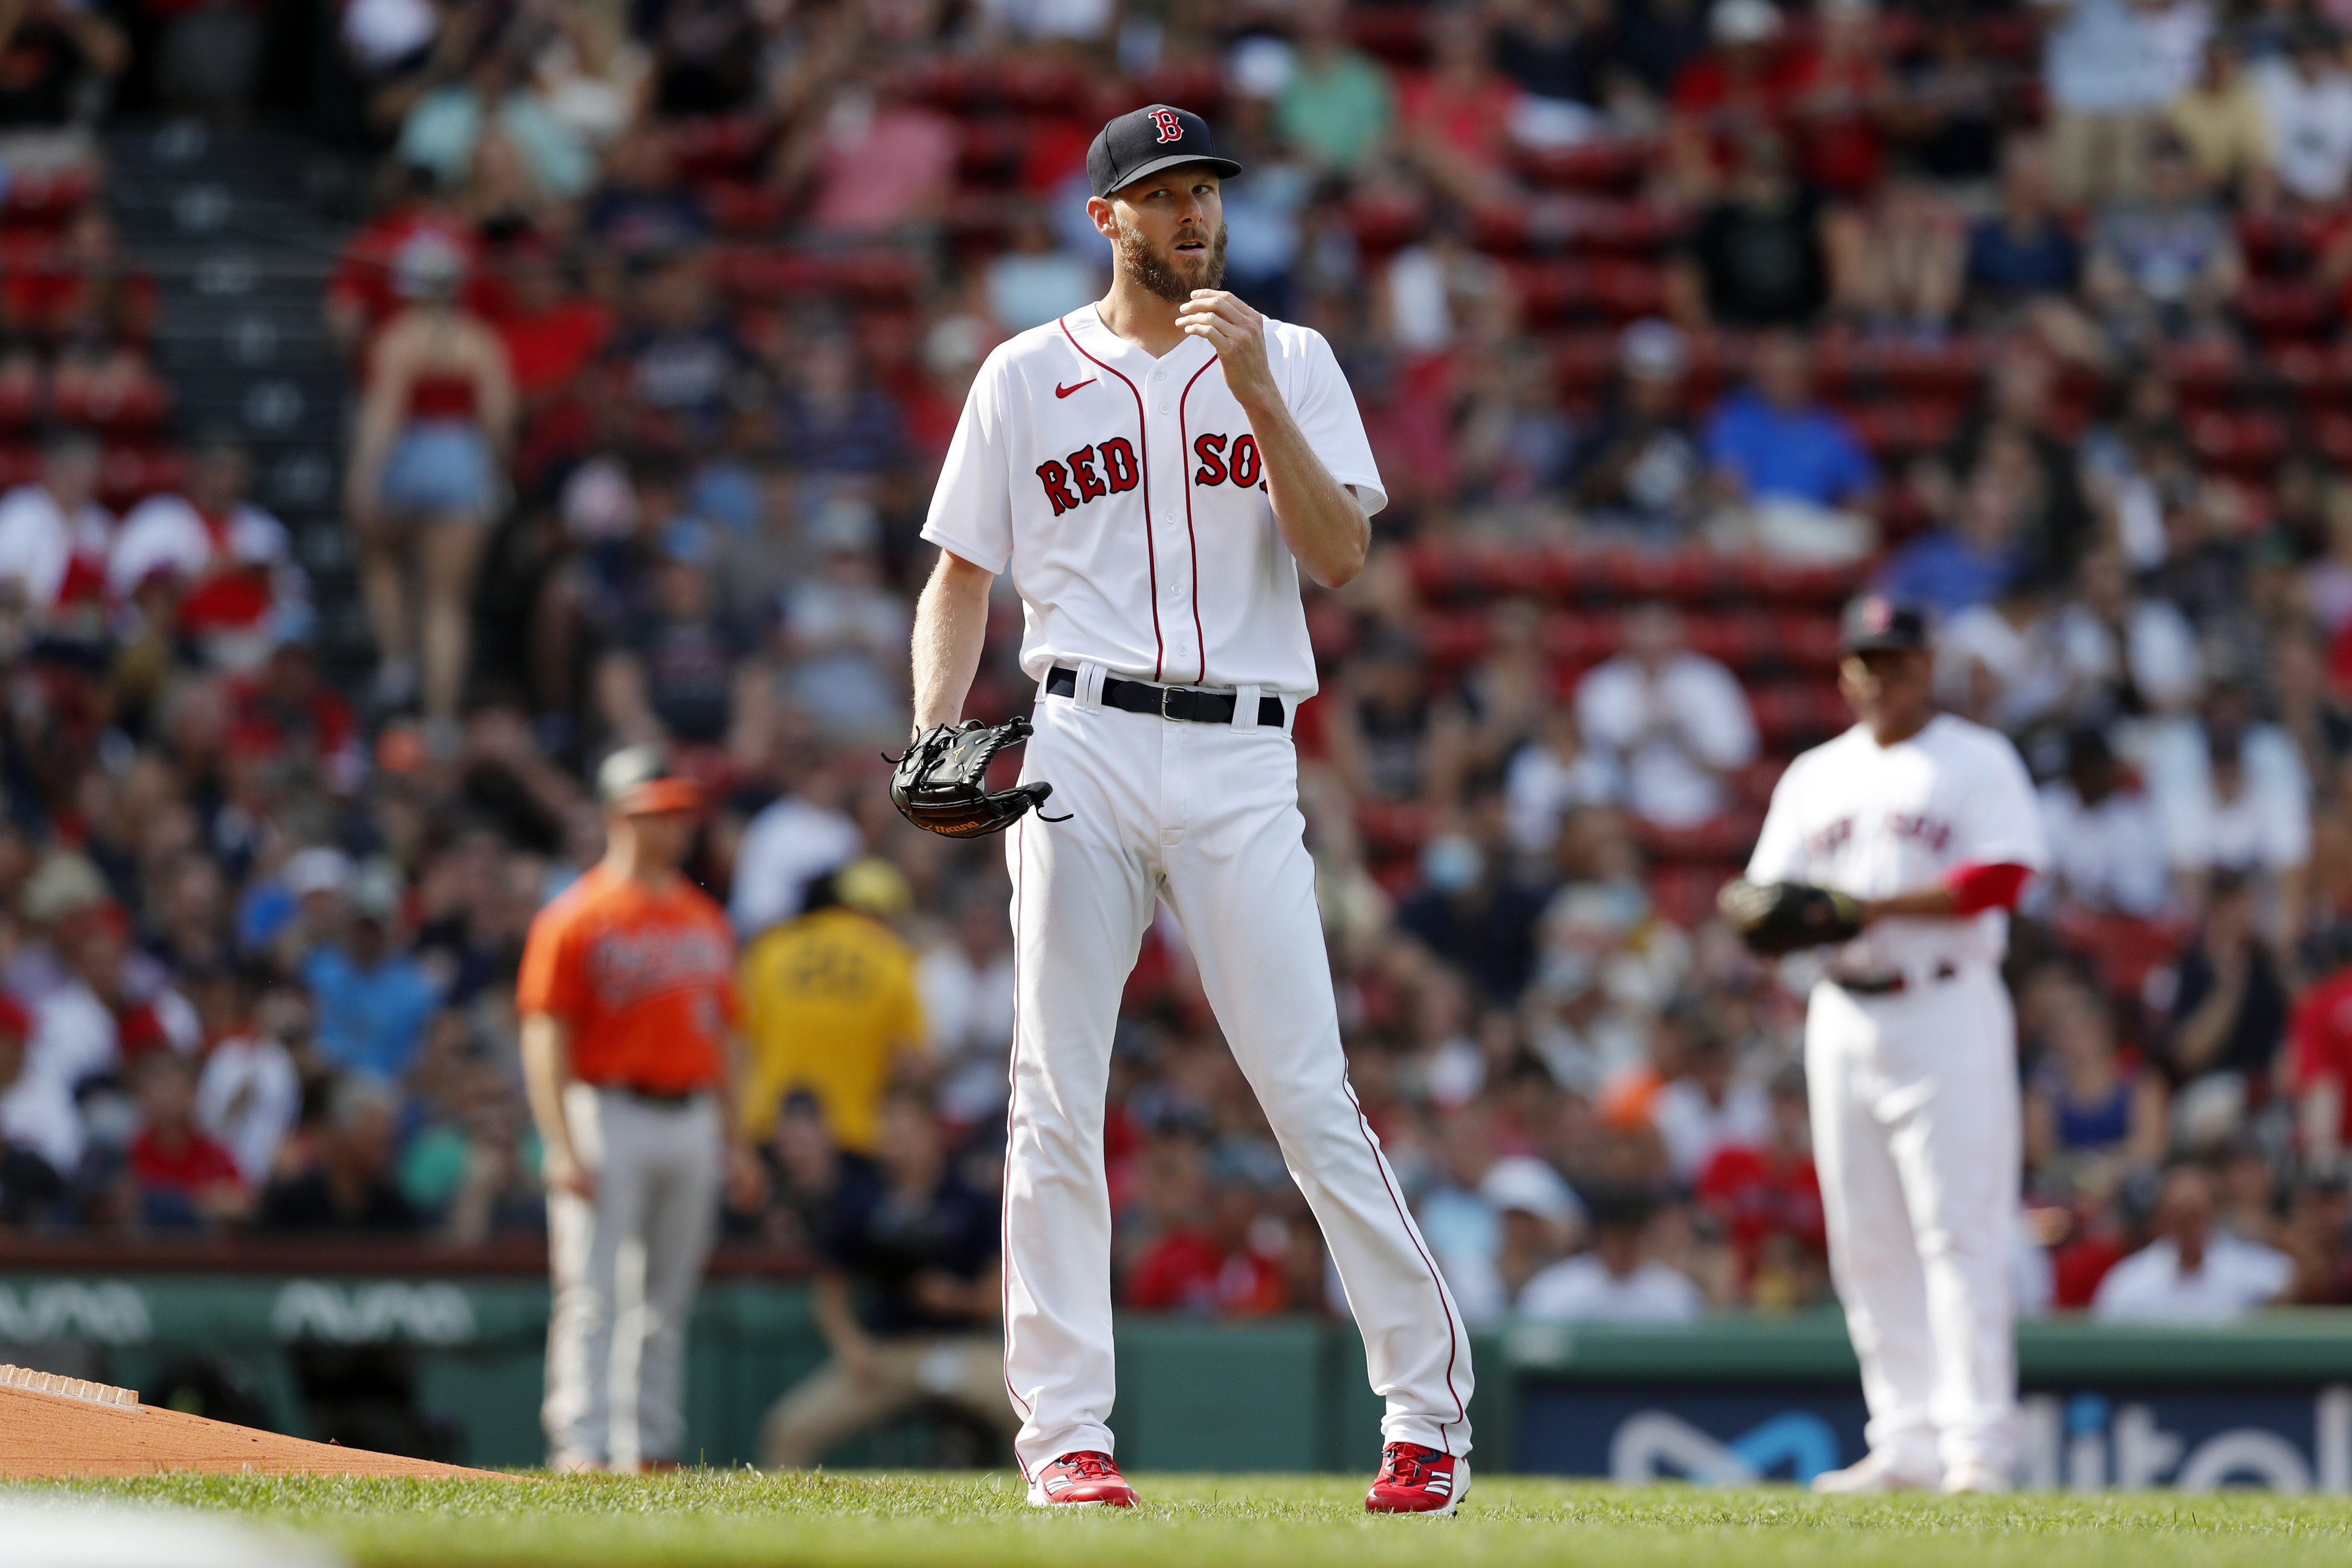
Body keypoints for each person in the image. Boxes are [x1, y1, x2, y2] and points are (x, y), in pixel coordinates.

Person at [908, 104, 1474, 1514]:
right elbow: (960, 572)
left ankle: (1426, 1418)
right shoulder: (1025, 373)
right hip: (1081, 733)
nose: (1193, 216)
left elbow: (1341, 559)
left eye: (1205, 190)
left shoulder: (1290, 356)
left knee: (1307, 1091)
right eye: (1162, 195)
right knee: (1054, 1086)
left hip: (1241, 749)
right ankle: (1067, 1435)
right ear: (1105, 219)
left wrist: (1260, 396)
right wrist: (929, 730)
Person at [1740, 595, 2049, 1494]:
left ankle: (1976, 1447)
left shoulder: (1976, 758)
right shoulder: (1814, 774)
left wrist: (1863, 908)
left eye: (1896, 660)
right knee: (1867, 1240)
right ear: (1845, 673)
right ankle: (1907, 1440)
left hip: (1946, 1003)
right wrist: (1772, 922)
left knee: (1959, 1231)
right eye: (1864, 661)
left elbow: (2003, 876)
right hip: (1842, 1012)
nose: (1880, 676)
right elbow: (1771, 897)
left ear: (1927, 666)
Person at [517, 747, 765, 1473]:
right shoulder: (575, 914)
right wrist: (560, 1140)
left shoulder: (703, 918)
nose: (676, 823)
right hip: (608, 1108)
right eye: (660, 809)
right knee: (591, 1291)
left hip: (689, 1115)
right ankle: (581, 1443)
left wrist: (738, 1140)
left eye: (680, 809)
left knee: (665, 1297)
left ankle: (649, 1443)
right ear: (617, 814)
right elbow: (543, 1034)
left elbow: (725, 1036)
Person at [759, 1087, 1016, 1467]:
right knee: (788, 1429)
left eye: (906, 1130)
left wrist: (953, 1297)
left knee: (1029, 1419)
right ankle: (777, 1525)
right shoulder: (864, 1198)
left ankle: (1042, 1511)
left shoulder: (969, 1198)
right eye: (889, 1130)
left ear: (932, 1133)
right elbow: (830, 1289)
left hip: (959, 1349)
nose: (895, 1141)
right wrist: (851, 1346)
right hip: (888, 1355)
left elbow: (995, 1296)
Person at [344, 231, 516, 736]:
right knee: (447, 602)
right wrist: (490, 471)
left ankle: (397, 659)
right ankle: (441, 719)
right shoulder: (480, 341)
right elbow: (498, 419)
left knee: (378, 551)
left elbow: (383, 417)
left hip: (410, 455)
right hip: (461, 459)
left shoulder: (397, 338)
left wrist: (363, 476)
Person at [736, 858, 925, 1155]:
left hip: (773, 1126)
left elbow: (739, 1042)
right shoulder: (894, 960)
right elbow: (909, 1061)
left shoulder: (769, 949)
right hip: (853, 1132)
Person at [1574, 602, 1758, 830]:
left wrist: (1683, 735)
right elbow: (1593, 763)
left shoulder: (1711, 681)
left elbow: (1735, 761)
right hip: (1627, 808)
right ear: (1626, 631)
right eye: (1643, 628)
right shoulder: (1602, 684)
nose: (1652, 639)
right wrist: (1647, 730)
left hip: (1704, 805)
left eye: (1661, 627)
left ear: (1679, 630)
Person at [2091, 1163, 2293, 1322]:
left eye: (2196, 1215)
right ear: (2163, 1219)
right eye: (2179, 1215)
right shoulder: (2130, 1281)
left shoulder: (2244, 1268)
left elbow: (2292, 1278)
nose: (2189, 1227)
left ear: (2212, 1214)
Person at [1517, 1190, 1705, 1323]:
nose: (1622, 1247)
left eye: (1630, 1237)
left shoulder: (1674, 1293)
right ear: (1598, 1239)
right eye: (1615, 1238)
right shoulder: (1555, 1289)